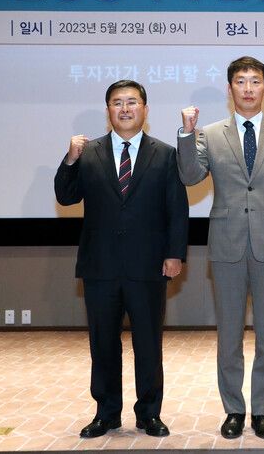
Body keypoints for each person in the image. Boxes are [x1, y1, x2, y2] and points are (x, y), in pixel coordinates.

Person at [177, 56, 264, 440]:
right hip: (227, 245)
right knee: (229, 335)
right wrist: (187, 134)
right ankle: (233, 409)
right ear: (230, 88)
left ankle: (263, 410)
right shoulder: (210, 134)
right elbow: (190, 176)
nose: (248, 88)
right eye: (241, 81)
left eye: (255, 81)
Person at [54, 80, 189, 438]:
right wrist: (70, 159)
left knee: (148, 343)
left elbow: (177, 209)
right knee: (102, 344)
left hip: (148, 266)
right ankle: (106, 413)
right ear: (108, 110)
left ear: (145, 109)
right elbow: (65, 196)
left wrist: (175, 254)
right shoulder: (88, 152)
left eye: (132, 102)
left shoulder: (165, 154)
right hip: (100, 266)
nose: (125, 109)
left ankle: (149, 413)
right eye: (117, 103)